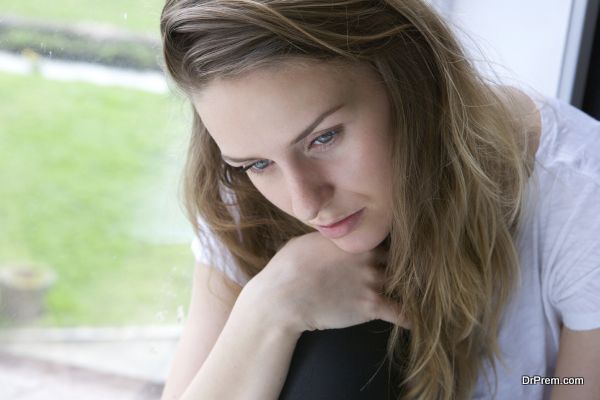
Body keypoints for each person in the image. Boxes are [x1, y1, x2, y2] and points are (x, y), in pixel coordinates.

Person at [158, 0, 600, 399]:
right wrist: (270, 309)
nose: (305, 201)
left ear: (410, 76)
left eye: (323, 138)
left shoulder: (581, 199)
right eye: (256, 164)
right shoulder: (245, 190)